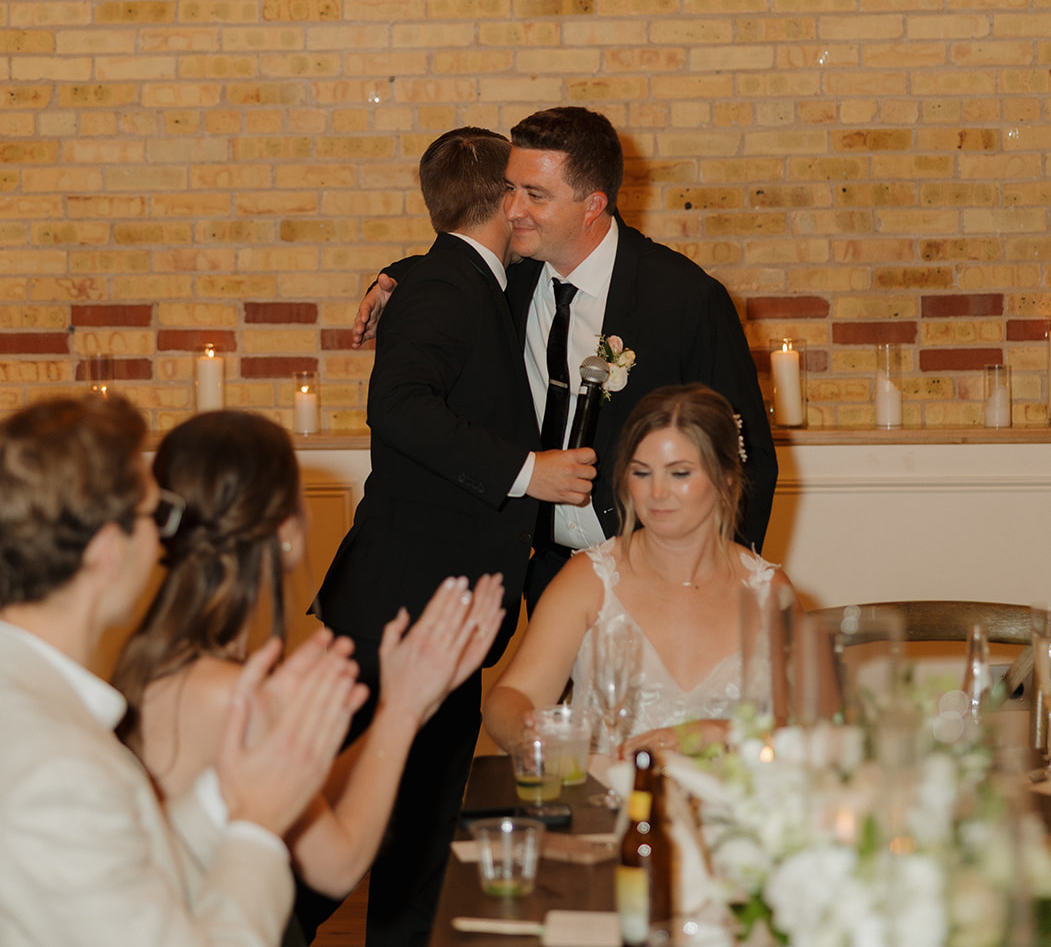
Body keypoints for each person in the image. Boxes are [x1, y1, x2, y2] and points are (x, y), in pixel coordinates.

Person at [313, 126, 589, 947]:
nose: (529, 204)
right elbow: (397, 407)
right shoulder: (444, 290)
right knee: (349, 818)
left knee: (418, 832)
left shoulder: (460, 279)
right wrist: (526, 472)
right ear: (507, 198)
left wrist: (395, 270)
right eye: (523, 191)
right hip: (405, 605)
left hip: (440, 605)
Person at [355, 106, 777, 608]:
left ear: (592, 204)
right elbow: (452, 267)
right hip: (546, 574)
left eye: (535, 195)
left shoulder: (684, 299)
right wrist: (390, 283)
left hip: (664, 575)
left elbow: (744, 457)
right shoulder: (511, 282)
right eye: (510, 187)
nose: (511, 209)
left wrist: (719, 582)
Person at [0, 392, 361, 947]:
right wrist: (254, 826)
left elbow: (124, 869)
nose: (167, 534)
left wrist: (226, 791)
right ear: (109, 550)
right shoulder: (58, 769)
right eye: (156, 513)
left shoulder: (22, 694)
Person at [112, 410, 504, 924]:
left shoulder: (164, 659)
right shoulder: (227, 692)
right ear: (286, 532)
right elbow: (337, 866)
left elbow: (306, 797)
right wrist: (401, 709)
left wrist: (412, 701)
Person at [483, 383, 796, 758]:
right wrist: (532, 736)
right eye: (642, 473)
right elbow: (511, 698)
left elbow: (805, 732)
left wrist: (718, 733)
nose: (657, 492)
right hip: (608, 805)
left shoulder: (769, 591)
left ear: (727, 479)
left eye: (679, 473)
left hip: (729, 808)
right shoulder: (589, 580)